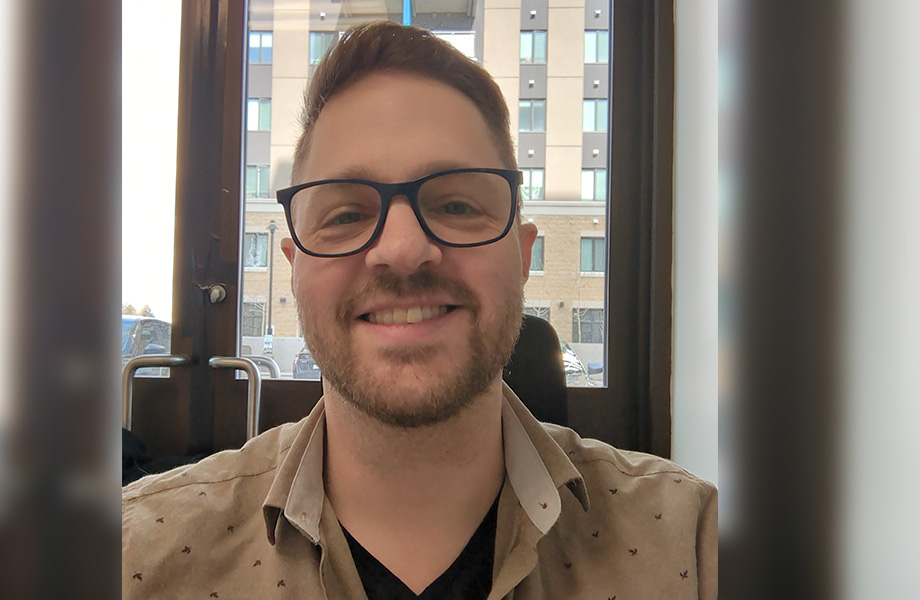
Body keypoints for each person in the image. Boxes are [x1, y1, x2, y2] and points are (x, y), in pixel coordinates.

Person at [122, 21, 717, 599]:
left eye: (457, 204)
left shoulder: (691, 546)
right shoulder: (136, 557)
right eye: (346, 216)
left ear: (523, 253)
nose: (403, 251)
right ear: (294, 266)